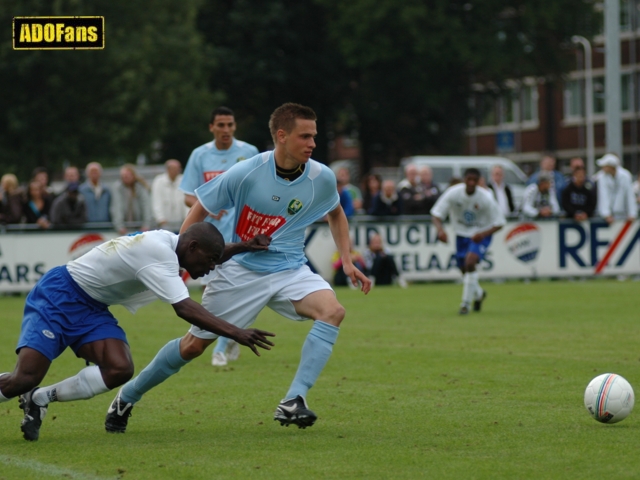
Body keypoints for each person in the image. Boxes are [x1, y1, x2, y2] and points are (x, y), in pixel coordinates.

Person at [105, 103, 371, 432]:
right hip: (238, 271)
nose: (313, 143)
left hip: (290, 269)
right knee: (193, 346)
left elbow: (336, 213)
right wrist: (178, 259)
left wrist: (346, 260)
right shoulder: (247, 171)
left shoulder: (321, 176)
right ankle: (127, 396)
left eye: (314, 136)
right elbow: (200, 207)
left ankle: (294, 399)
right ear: (282, 136)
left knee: (333, 311)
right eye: (305, 136)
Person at [0, 223, 275, 441]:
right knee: (24, 378)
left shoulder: (173, 244)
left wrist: (243, 246)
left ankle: (39, 399)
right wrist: (237, 333)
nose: (213, 266)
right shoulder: (158, 253)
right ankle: (27, 389)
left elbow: (209, 253)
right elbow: (185, 309)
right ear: (192, 247)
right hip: (58, 296)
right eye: (211, 260)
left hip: (92, 307)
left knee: (119, 368)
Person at [180, 106, 259, 366]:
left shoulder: (249, 153)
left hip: (241, 236)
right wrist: (208, 208)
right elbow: (188, 196)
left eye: (230, 125)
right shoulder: (200, 155)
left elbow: (259, 190)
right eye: (221, 125)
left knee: (237, 292)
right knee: (212, 294)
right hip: (208, 240)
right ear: (211, 127)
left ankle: (220, 348)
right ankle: (227, 338)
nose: (226, 130)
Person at [430, 168, 505, 315]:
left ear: (478, 181)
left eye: (474, 180)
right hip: (461, 235)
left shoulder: (485, 197)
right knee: (464, 269)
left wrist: (483, 234)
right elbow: (436, 214)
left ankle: (465, 305)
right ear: (464, 179)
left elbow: (500, 222)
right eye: (468, 179)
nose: (471, 183)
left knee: (470, 262)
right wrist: (440, 230)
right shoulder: (454, 193)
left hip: (480, 234)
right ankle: (479, 294)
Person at [110, 164, 153, 234]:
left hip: (140, 226)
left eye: (127, 175)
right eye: (123, 176)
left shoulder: (141, 188)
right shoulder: (117, 188)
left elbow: (146, 206)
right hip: (124, 228)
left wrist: (146, 225)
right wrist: (119, 226)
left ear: (133, 175)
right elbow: (116, 207)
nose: (125, 177)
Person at [595, 153, 638, 224]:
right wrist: (606, 214)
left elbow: (630, 196)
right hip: (607, 219)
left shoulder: (625, 176)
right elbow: (603, 196)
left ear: (611, 167)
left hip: (623, 216)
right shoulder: (601, 177)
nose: (602, 168)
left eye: (605, 166)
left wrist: (632, 214)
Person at [151, 159, 189, 230]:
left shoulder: (184, 180)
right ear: (168, 169)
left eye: (178, 169)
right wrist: (160, 218)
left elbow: (186, 200)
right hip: (164, 223)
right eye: (174, 169)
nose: (177, 171)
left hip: (181, 222)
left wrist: (187, 217)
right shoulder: (158, 181)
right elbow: (156, 201)